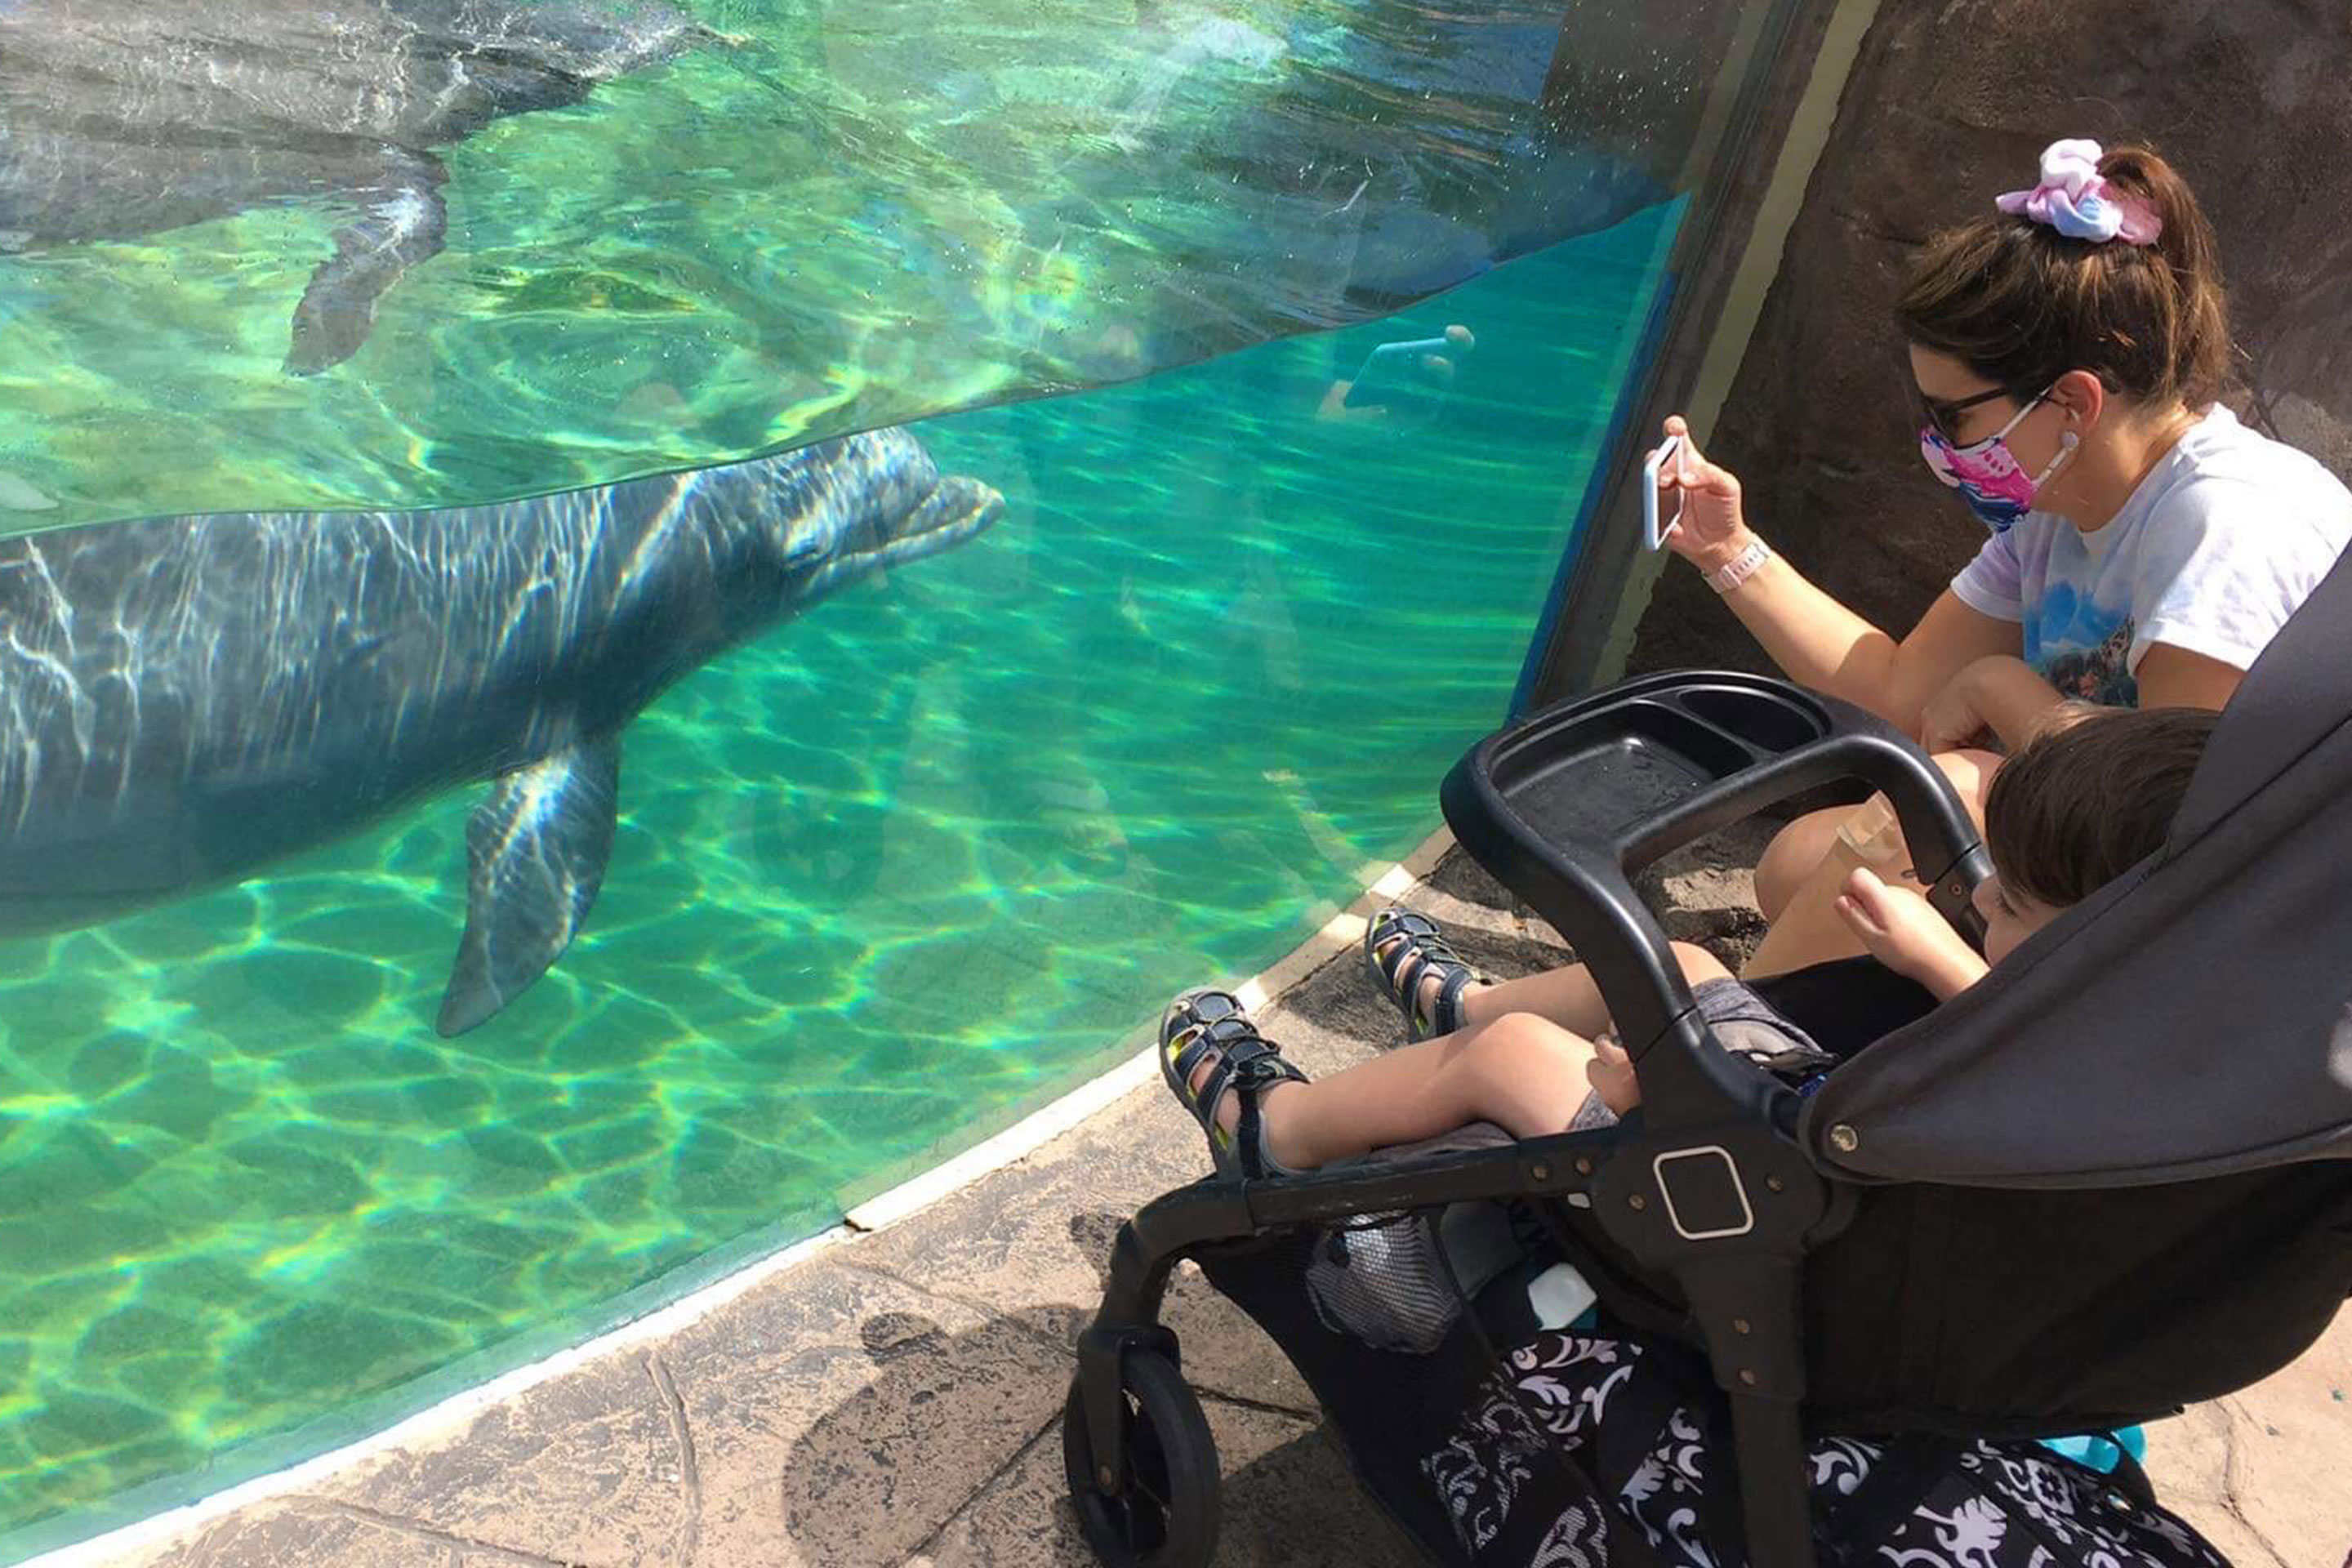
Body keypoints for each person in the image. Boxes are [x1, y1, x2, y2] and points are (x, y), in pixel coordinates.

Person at [1642, 136, 2346, 979]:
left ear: (2073, 402)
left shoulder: (2225, 525)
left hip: (2252, 933)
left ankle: (1733, 1042)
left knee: (1941, 805)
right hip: (2099, 864)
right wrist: (1726, 550)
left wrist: (1999, 688)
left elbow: (2177, 820)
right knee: (1797, 866)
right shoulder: (2064, 502)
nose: (1938, 444)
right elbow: (1902, 693)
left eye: (1956, 418)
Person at [1163, 705, 2216, 1175]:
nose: (1984, 902)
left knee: (1518, 1059)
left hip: (1766, 1208)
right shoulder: (2185, 1063)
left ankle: (1275, 1129)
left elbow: (2004, 1090)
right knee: (1691, 971)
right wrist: (1942, 961)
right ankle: (1463, 1006)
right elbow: (2041, 1055)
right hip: (1820, 1157)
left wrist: (1654, 1098)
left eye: (2014, 909)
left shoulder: (2056, 1106)